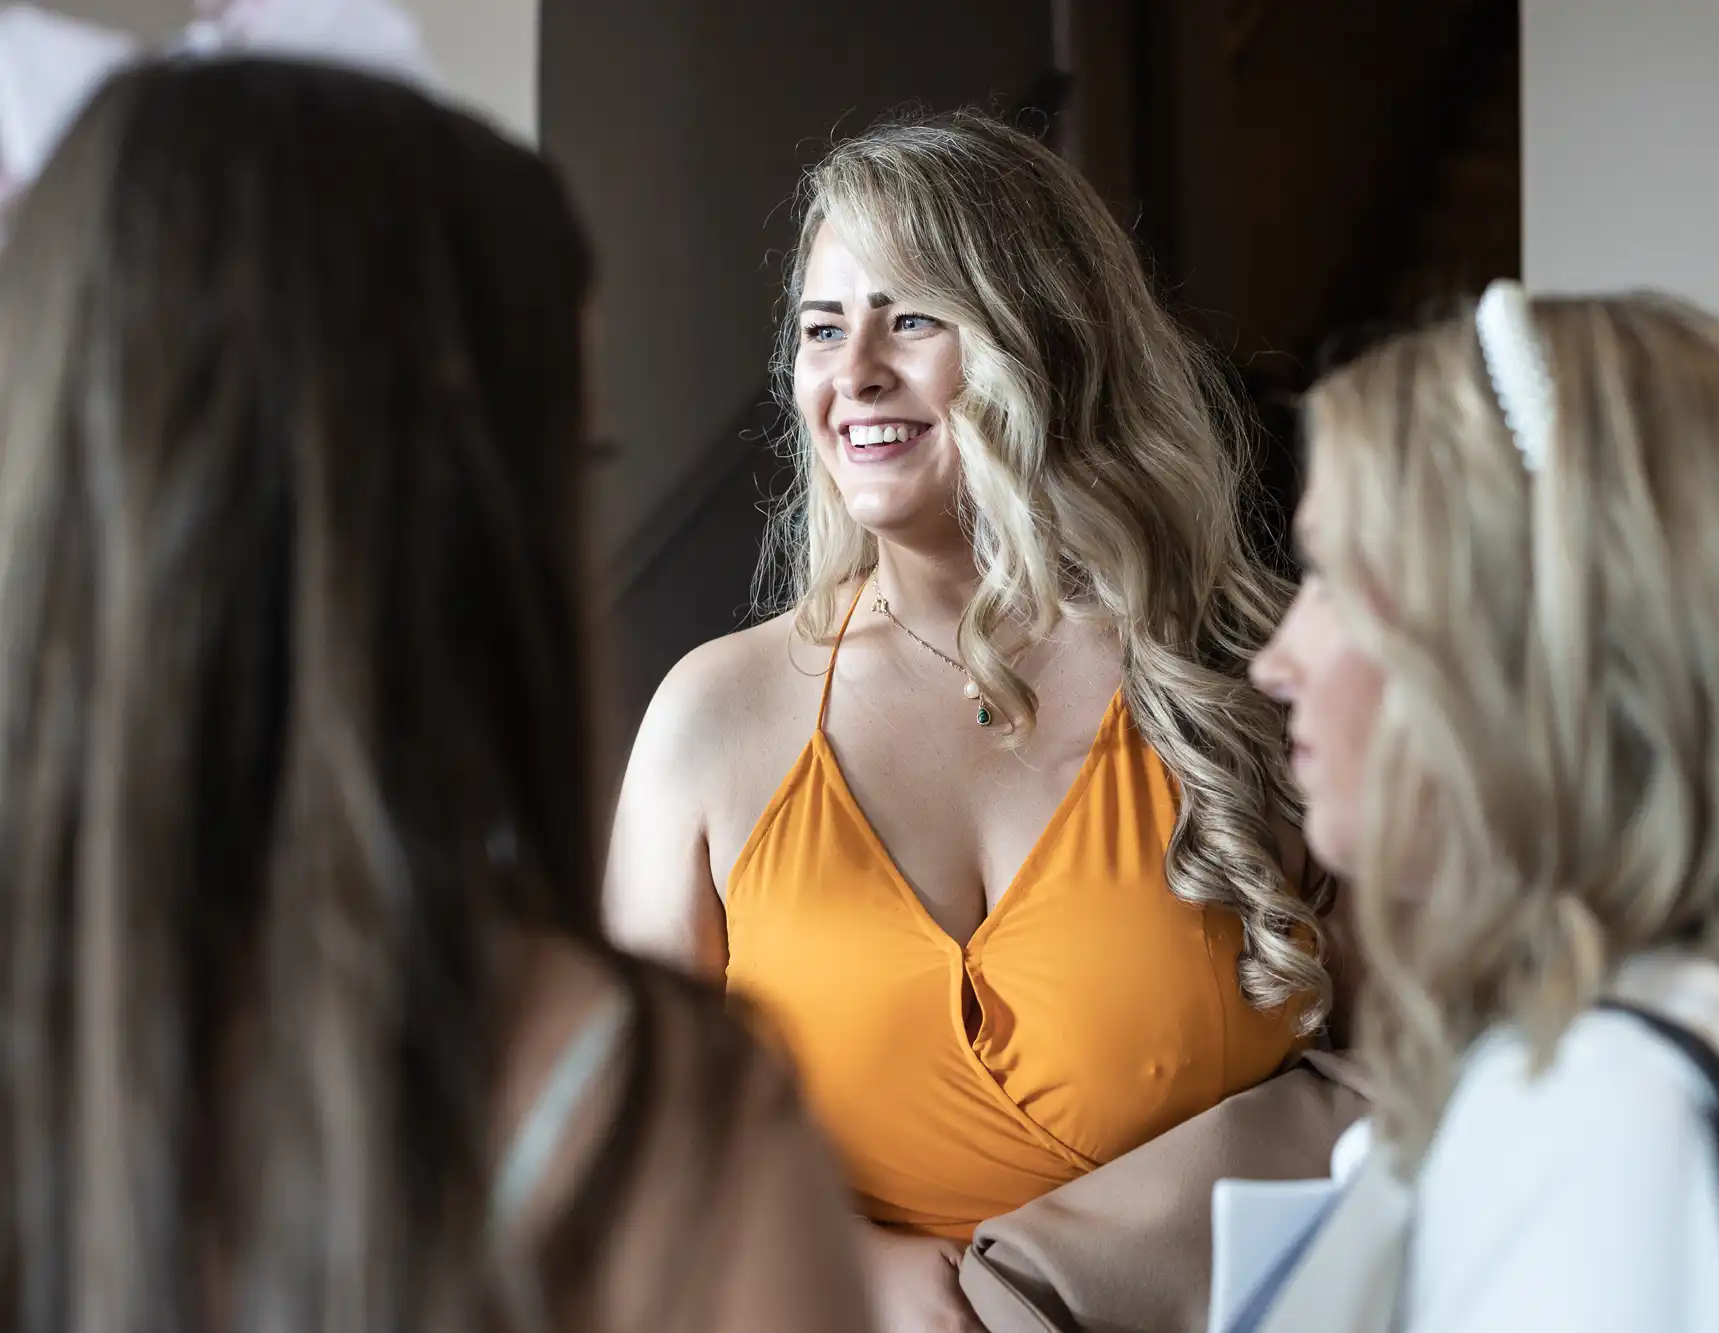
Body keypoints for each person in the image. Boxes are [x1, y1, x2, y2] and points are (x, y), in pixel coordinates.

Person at [0, 55, 868, 1333]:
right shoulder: (663, 1130)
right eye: (574, 461)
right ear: (466, 519)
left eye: (909, 318)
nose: (855, 375)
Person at [608, 110, 1342, 1329]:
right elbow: (628, 1136)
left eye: (911, 318)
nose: (854, 375)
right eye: (822, 329)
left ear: (1043, 338)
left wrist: (1035, 1282)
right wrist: (851, 1261)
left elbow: (1414, 1083)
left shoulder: (1246, 680)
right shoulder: (712, 718)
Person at [1244, 281, 1719, 1331]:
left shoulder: (1610, 1108)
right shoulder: (1707, 1044)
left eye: (1326, 575)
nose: (1275, 659)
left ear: (1520, 643)